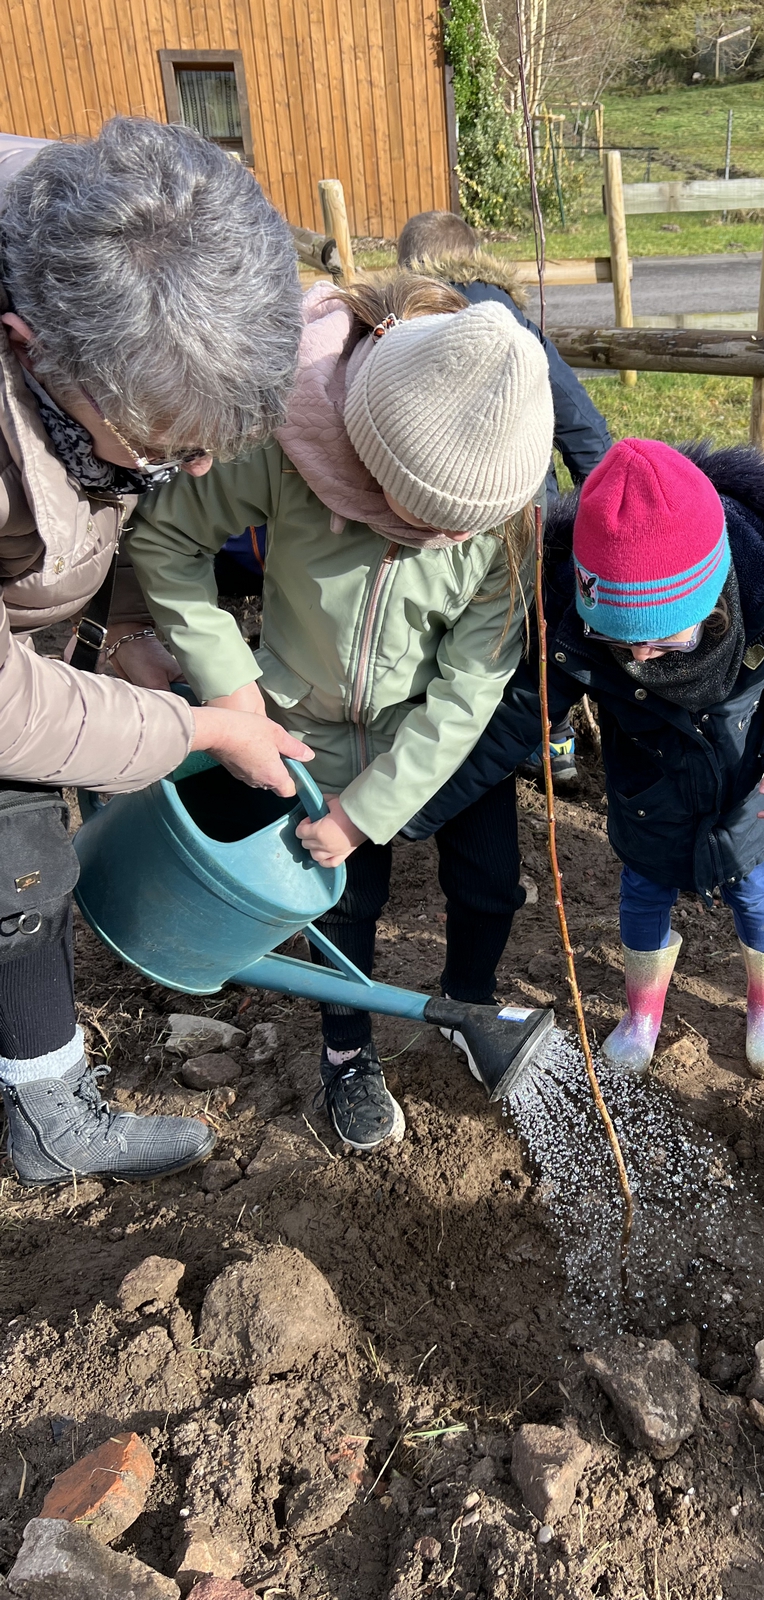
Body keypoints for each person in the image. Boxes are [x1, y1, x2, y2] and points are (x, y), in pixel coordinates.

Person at [128, 274, 554, 1151]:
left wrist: (371, 811)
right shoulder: (288, 447)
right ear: (372, 458)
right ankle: (348, 1051)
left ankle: (468, 1003)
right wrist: (232, 689)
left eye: (460, 531)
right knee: (340, 900)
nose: (443, 542)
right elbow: (167, 537)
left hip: (434, 737)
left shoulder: (506, 519)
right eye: (422, 519)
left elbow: (471, 683)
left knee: (487, 882)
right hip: (304, 728)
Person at [0, 119, 312, 1187]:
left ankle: (42, 1109)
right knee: (17, 861)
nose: (194, 470)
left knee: (24, 853)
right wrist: (197, 728)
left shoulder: (120, 243)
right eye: (166, 447)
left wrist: (131, 628)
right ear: (31, 347)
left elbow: (109, 492)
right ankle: (48, 1120)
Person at [406, 438, 764, 1079]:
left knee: (755, 897)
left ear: (713, 594)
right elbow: (511, 725)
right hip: (649, 795)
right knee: (642, 900)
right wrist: (409, 812)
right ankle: (642, 1013)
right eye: (617, 638)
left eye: (664, 639)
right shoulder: (574, 624)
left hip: (748, 792)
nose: (639, 657)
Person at [399, 208, 615, 788]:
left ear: (411, 266)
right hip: (527, 508)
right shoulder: (513, 320)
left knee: (456, 624)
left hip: (434, 506)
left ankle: (448, 737)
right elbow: (582, 424)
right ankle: (552, 739)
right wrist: (600, 513)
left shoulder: (410, 320)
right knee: (531, 621)